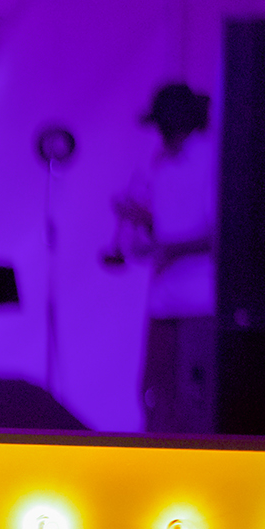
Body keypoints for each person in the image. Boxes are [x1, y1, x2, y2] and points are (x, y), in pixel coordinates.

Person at [109, 82, 218, 431]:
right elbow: (169, 224)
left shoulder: (211, 161)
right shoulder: (160, 165)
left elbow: (223, 234)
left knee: (194, 401)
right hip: (163, 300)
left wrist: (166, 248)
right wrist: (140, 218)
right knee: (155, 394)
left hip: (201, 302)